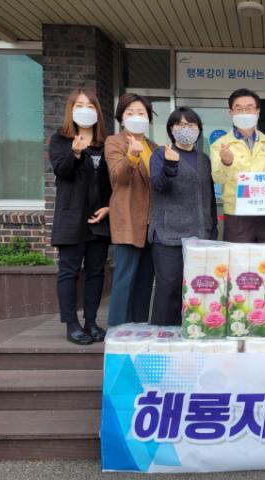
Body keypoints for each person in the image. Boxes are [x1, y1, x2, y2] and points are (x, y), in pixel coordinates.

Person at [49, 89, 111, 345]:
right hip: (71, 218)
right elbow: (61, 172)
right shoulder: (60, 140)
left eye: (90, 106)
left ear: (97, 111)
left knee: (96, 272)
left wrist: (109, 207)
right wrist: (74, 153)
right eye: (80, 105)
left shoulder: (106, 143)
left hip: (99, 219)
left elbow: (113, 183)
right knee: (69, 271)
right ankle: (71, 324)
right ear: (71, 110)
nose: (85, 110)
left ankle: (91, 322)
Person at [148, 107, 218, 326]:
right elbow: (159, 186)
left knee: (196, 288)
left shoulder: (204, 159)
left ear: (199, 129)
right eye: (180, 124)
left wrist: (212, 230)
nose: (185, 128)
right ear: (171, 129)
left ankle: (190, 331)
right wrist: (170, 164)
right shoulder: (160, 154)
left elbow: (208, 196)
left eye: (191, 124)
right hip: (168, 234)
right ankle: (163, 333)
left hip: (199, 235)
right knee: (168, 287)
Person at [105, 93, 157, 326]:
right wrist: (132, 155)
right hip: (128, 218)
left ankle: (139, 327)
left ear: (148, 117)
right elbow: (119, 178)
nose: (136, 117)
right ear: (121, 117)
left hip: (152, 223)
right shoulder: (115, 142)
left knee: (145, 280)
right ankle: (117, 329)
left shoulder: (154, 147)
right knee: (125, 278)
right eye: (130, 112)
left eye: (141, 113)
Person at [210, 88, 265, 243]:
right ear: (231, 113)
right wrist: (226, 162)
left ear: (258, 112)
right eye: (239, 109)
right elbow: (218, 178)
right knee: (238, 257)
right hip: (237, 214)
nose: (244, 112)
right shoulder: (220, 144)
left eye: (249, 108)